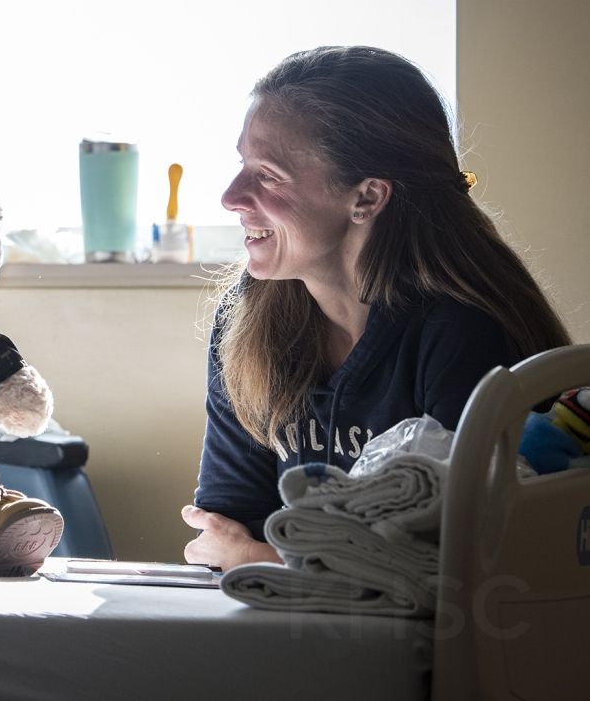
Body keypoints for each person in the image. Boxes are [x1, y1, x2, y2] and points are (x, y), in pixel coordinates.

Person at [182, 46, 571, 571]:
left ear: (367, 197)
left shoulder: (462, 331)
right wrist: (263, 553)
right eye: (241, 165)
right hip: (295, 634)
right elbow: (226, 521)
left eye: (268, 175)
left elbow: (458, 562)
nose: (231, 196)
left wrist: (259, 556)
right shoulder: (245, 321)